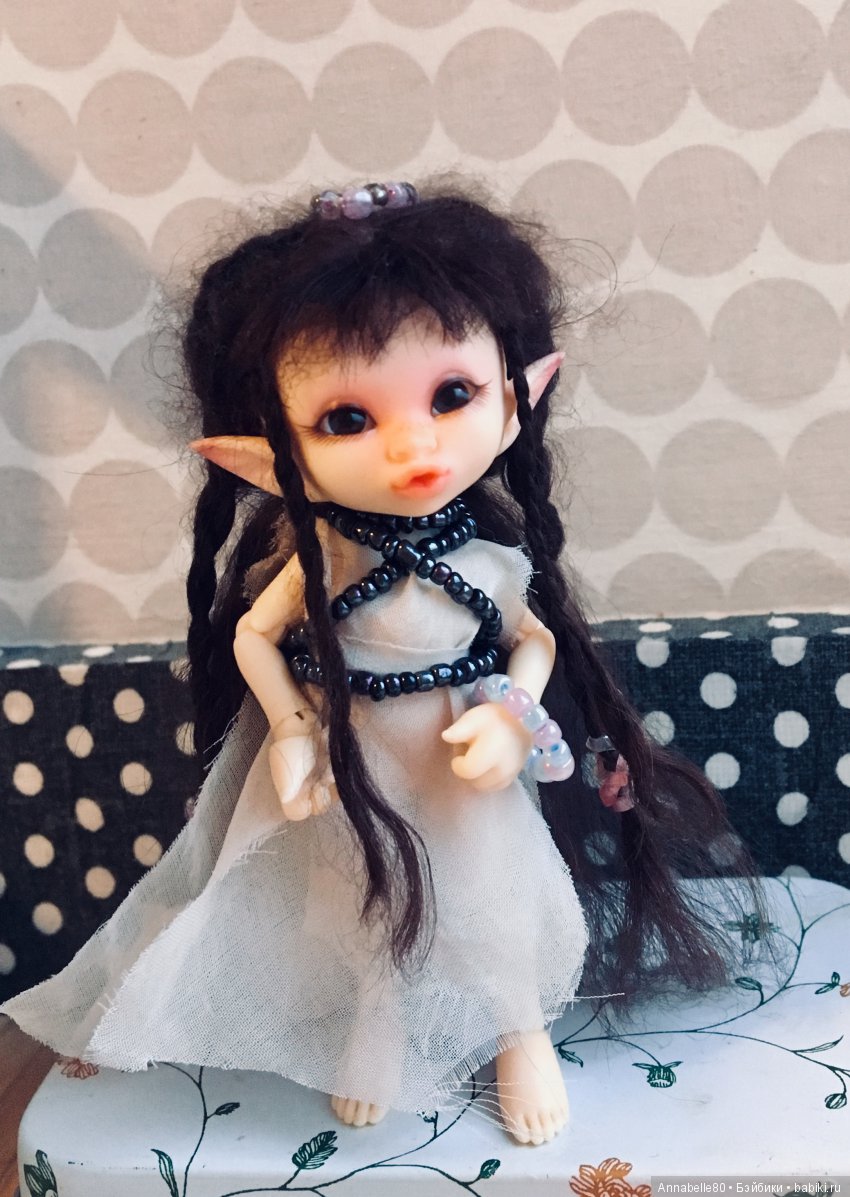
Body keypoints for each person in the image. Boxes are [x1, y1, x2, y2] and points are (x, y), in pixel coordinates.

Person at [1, 179, 762, 1147]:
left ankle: (517, 1030)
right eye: (345, 419)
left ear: (521, 394)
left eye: (453, 396)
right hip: (349, 757)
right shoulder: (319, 562)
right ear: (259, 455)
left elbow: (530, 639)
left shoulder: (485, 560)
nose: (414, 447)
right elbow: (253, 637)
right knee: (356, 893)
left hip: (459, 764)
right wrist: (290, 727)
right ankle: (379, 1021)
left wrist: (511, 714)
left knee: (490, 896)